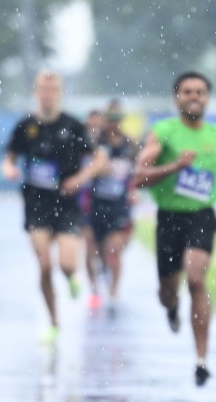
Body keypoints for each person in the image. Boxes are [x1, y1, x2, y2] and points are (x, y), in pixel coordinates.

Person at [133, 71, 216, 386]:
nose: (194, 97)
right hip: (170, 217)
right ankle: (172, 306)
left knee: (195, 278)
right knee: (167, 291)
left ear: (207, 98)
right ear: (177, 97)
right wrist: (175, 166)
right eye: (188, 92)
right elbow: (139, 175)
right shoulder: (163, 132)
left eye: (200, 92)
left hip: (202, 216)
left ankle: (201, 359)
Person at [1, 71, 108, 342]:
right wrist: (10, 169)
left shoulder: (72, 125)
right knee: (45, 266)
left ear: (59, 93)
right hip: (36, 203)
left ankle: (73, 277)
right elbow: (9, 158)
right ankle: (53, 322)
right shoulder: (26, 126)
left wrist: (79, 179)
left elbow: (100, 159)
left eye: (52, 90)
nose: (46, 94)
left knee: (66, 264)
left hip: (66, 204)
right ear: (36, 92)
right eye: (42, 90)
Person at [86, 99, 138, 317]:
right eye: (110, 119)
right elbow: (84, 170)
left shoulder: (131, 146)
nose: (114, 124)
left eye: (118, 119)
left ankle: (113, 295)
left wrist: (134, 189)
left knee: (113, 251)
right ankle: (94, 291)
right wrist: (98, 168)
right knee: (93, 253)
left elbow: (138, 173)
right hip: (94, 205)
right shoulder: (95, 143)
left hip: (118, 207)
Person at [81, 108, 106, 304]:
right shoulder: (77, 142)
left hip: (109, 203)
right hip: (85, 203)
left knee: (105, 249)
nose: (95, 127)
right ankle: (94, 289)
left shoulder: (112, 143)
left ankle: (105, 268)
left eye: (99, 123)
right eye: (92, 123)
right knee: (89, 247)